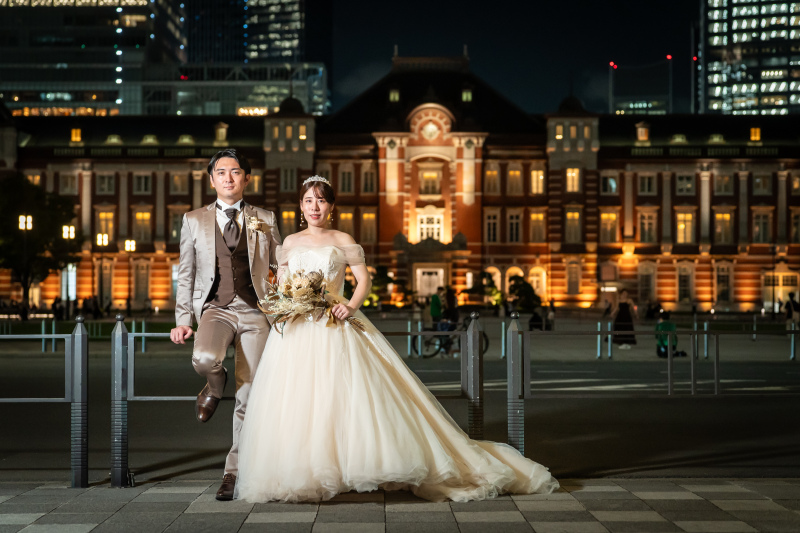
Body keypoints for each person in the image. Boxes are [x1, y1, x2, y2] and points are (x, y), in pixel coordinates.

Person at [235, 177, 557, 503]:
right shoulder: (289, 242)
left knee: (347, 397)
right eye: (308, 201)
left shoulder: (342, 239)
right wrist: (287, 301)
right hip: (298, 329)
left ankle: (352, 463)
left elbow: (363, 281)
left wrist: (349, 306)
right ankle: (302, 469)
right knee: (297, 400)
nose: (314, 207)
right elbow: (285, 283)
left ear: (331, 206)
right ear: (301, 206)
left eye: (320, 201)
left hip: (335, 322)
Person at [169, 148, 282, 501]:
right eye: (221, 172)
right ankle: (215, 387)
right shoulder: (193, 220)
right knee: (204, 359)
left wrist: (288, 304)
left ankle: (233, 472)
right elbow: (186, 273)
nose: (229, 178)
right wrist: (183, 319)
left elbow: (282, 265)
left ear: (247, 178)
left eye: (235, 172)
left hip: (255, 311)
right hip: (215, 309)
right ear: (212, 178)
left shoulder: (265, 217)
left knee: (249, 395)